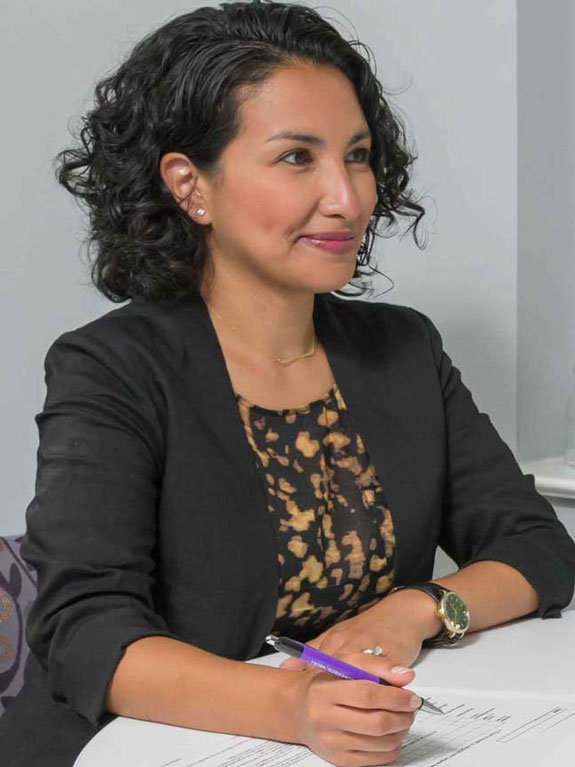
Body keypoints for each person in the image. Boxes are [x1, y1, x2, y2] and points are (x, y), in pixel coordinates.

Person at [2, 2, 574, 765]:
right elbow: (85, 630)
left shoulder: (402, 347)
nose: (348, 197)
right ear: (188, 185)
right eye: (296, 157)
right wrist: (290, 705)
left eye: (359, 155)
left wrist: (416, 608)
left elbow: (534, 546)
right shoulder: (111, 367)